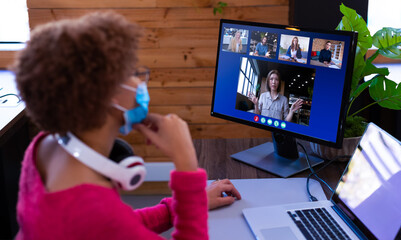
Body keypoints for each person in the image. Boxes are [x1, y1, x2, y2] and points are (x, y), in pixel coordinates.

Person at [12, 12, 240, 240]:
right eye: (131, 73)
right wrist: (187, 165)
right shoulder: (96, 213)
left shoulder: (44, 145)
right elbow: (106, 224)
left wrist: (187, 205)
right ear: (109, 95)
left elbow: (115, 228)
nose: (138, 82)